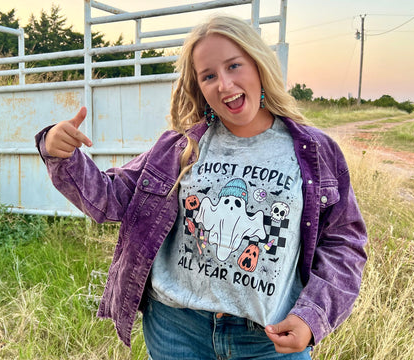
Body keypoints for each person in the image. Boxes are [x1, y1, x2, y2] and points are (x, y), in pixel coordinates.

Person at [35, 15, 367, 360]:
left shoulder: (315, 151)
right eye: (208, 75)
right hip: (177, 330)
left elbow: (344, 243)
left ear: (259, 65)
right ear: (199, 86)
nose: (224, 84)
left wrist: (312, 317)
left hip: (268, 340)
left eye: (234, 66)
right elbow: (109, 199)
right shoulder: (178, 148)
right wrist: (62, 154)